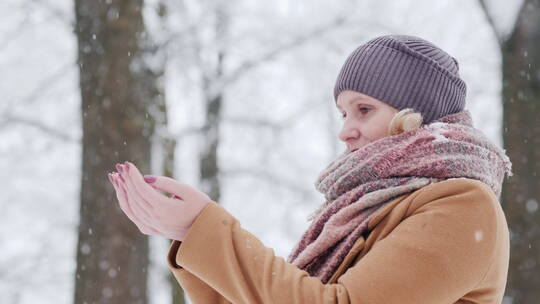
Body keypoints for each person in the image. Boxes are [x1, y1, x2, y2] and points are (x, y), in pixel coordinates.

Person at [108, 34, 513, 303]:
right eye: (342, 113)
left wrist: (205, 230)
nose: (346, 131)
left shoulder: (462, 206)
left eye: (364, 110)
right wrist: (188, 235)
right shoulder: (366, 209)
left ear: (416, 115)